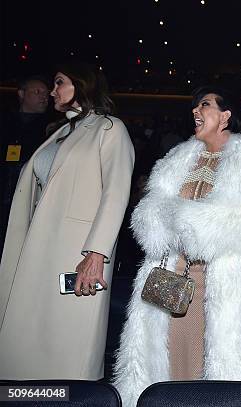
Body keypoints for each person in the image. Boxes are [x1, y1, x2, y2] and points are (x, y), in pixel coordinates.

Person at [113, 86, 241, 407]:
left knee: (225, 368)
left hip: (226, 283)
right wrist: (175, 221)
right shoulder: (178, 159)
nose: (196, 110)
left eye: (205, 104)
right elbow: (147, 214)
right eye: (195, 105)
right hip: (173, 279)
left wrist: (187, 220)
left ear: (226, 115)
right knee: (170, 364)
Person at [0, 62, 134, 379]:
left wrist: (96, 253)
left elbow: (115, 194)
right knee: (28, 338)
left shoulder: (109, 128)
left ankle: (70, 399)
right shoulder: (61, 132)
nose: (52, 90)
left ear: (82, 85)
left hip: (77, 253)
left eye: (59, 82)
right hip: (39, 245)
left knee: (66, 348)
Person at [0, 75, 51, 250]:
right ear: (21, 94)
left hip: (29, 199)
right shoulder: (5, 121)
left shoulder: (51, 128)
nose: (44, 97)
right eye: (38, 92)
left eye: (46, 93)